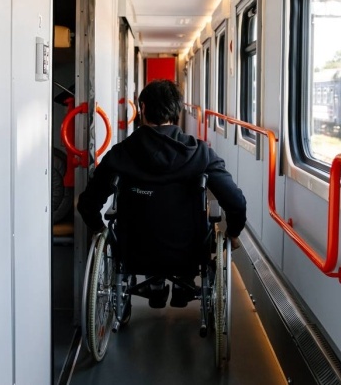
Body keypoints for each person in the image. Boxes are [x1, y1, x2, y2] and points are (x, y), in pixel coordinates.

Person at [77, 79, 247, 308]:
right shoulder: (201, 154)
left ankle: (154, 285)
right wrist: (233, 231)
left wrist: (99, 228)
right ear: (177, 111)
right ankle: (183, 284)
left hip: (133, 251)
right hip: (189, 251)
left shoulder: (120, 153)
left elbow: (87, 203)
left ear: (142, 108)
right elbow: (235, 201)